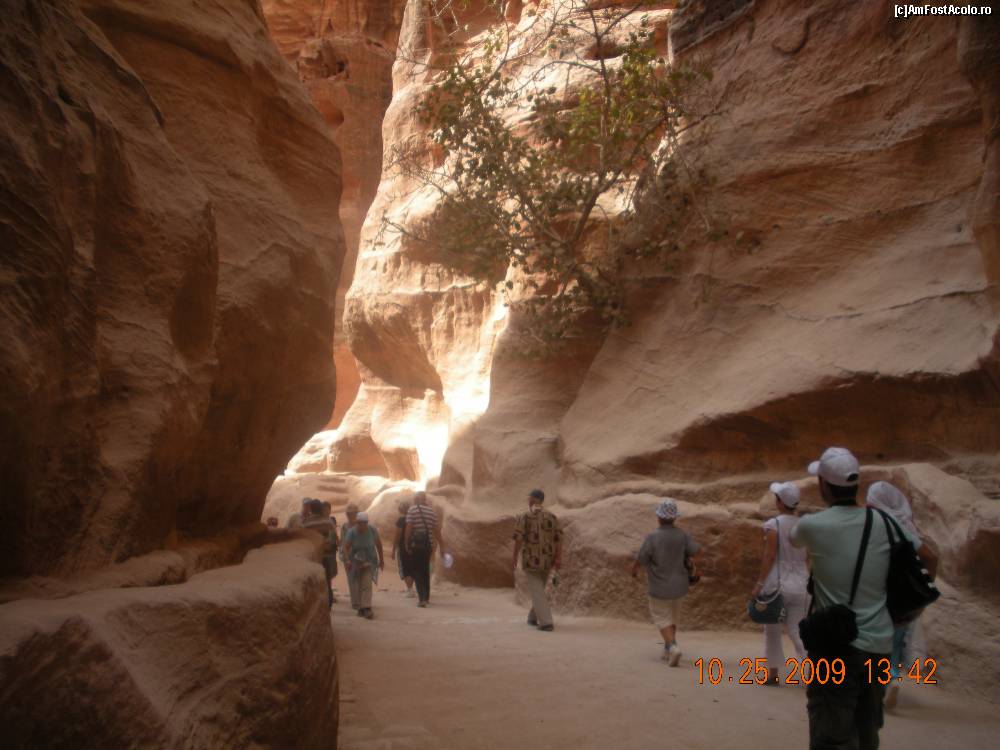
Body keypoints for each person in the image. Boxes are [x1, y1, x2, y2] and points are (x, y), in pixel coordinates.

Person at [791, 447, 902, 750]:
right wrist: (903, 611)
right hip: (878, 645)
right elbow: (927, 556)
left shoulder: (813, 524)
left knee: (831, 731)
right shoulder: (885, 522)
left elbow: (795, 539)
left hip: (835, 645)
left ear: (824, 485)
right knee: (867, 729)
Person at [866, 481, 938, 710]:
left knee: (874, 641)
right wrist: (925, 589)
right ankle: (893, 678)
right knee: (896, 643)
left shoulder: (879, 526)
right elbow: (930, 557)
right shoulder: (906, 527)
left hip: (879, 592)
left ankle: (879, 686)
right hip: (904, 596)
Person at [631, 498, 702, 665]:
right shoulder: (682, 535)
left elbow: (642, 558)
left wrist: (634, 569)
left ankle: (673, 647)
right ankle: (667, 648)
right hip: (680, 585)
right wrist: (692, 564)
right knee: (673, 617)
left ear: (658, 517)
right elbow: (698, 551)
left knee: (661, 617)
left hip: (659, 585)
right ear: (674, 517)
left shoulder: (653, 537)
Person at [752, 481, 809, 684]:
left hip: (777, 582)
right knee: (797, 629)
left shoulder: (773, 525)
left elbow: (769, 556)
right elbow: (808, 556)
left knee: (772, 629)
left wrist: (759, 584)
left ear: (781, 503)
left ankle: (773, 674)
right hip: (801, 581)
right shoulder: (804, 525)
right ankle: (812, 671)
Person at [512, 489, 562, 632]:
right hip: (548, 560)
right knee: (539, 589)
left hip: (531, 560)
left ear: (533, 500)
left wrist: (514, 556)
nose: (529, 501)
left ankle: (546, 622)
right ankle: (532, 617)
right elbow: (559, 539)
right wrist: (558, 557)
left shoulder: (524, 516)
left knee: (537, 591)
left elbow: (518, 539)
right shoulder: (552, 516)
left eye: (529, 498)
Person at [405, 492, 445, 607]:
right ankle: (426, 597)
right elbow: (437, 531)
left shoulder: (412, 510)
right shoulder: (431, 512)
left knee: (417, 571)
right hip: (428, 545)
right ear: (424, 499)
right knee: (425, 571)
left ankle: (421, 598)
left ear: (416, 499)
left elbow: (409, 528)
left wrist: (406, 543)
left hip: (416, 545)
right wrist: (442, 545)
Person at [342, 511, 384, 619]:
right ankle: (361, 608)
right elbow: (345, 548)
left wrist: (382, 560)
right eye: (360, 523)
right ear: (357, 522)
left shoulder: (372, 530)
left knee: (367, 583)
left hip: (370, 560)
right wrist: (347, 560)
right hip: (355, 561)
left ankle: (367, 607)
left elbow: (378, 545)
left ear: (367, 523)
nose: (362, 525)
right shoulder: (352, 532)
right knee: (358, 584)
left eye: (364, 523)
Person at [303, 500, 335, 609]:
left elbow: (304, 540)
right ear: (321, 509)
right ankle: (328, 606)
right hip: (326, 556)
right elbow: (333, 539)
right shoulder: (328, 522)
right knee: (327, 582)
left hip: (312, 558)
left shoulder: (306, 523)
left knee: (313, 583)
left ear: (311, 509)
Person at [392, 500, 415, 598]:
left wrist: (393, 549)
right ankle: (410, 588)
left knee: (405, 567)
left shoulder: (401, 520)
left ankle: (410, 590)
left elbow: (397, 536)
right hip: (413, 546)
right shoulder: (414, 519)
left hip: (403, 546)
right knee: (412, 567)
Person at [339, 503, 361, 610]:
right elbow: (343, 542)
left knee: (360, 578)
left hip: (360, 555)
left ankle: (361, 600)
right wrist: (345, 557)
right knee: (351, 578)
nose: (350, 515)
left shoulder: (361, 526)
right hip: (349, 556)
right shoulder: (344, 527)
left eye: (352, 513)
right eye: (349, 514)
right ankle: (355, 602)